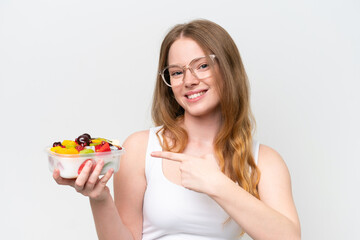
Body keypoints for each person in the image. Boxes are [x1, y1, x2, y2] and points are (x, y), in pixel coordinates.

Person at [53, 19, 301, 240]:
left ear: (228, 68)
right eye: (177, 72)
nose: (189, 80)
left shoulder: (264, 161)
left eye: (202, 66)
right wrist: (100, 198)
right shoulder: (141, 148)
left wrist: (217, 184)